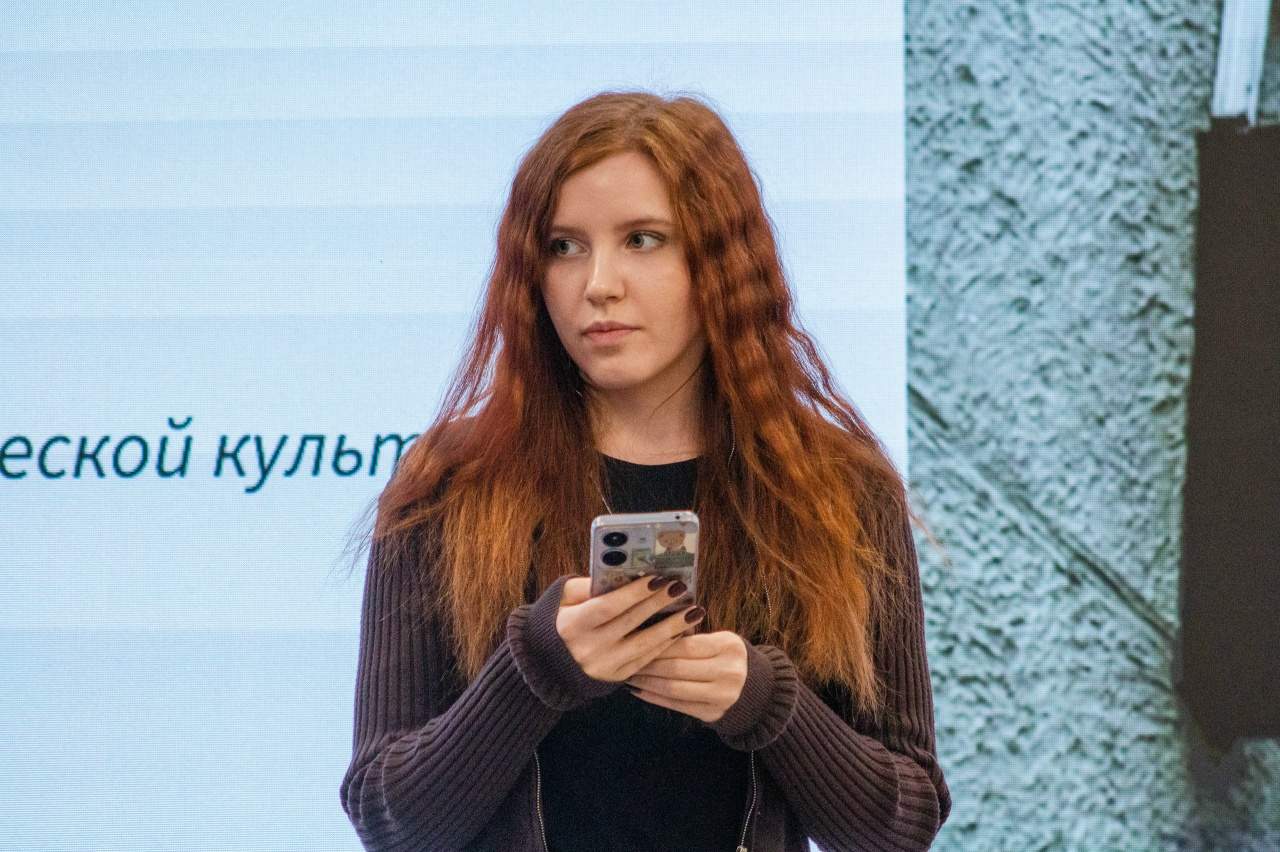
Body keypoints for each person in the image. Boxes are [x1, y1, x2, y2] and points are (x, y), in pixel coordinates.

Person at [339, 89, 951, 852]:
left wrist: (764, 702)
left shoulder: (837, 489)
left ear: (720, 261)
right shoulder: (451, 485)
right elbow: (389, 820)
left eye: (642, 239)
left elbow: (902, 825)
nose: (598, 283)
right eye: (564, 247)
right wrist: (536, 669)